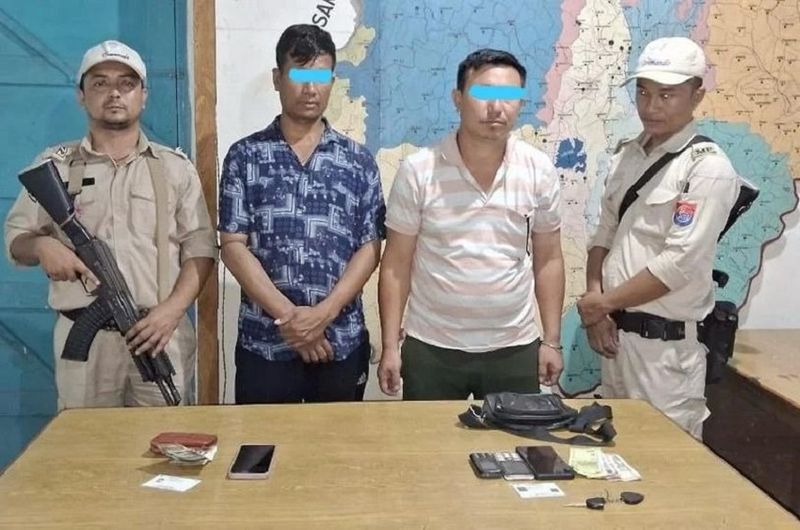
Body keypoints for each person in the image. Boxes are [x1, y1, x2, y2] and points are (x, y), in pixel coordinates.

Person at [4, 40, 216, 408]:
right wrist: (42, 246)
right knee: (86, 440)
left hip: (159, 334)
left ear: (143, 96)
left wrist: (172, 312)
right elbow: (16, 239)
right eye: (100, 83)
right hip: (87, 343)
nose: (114, 93)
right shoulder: (55, 167)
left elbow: (200, 248)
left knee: (166, 436)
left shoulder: (174, 168)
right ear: (81, 95)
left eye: (127, 83)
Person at [378, 48, 565, 400]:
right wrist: (390, 346)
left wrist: (551, 341)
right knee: (429, 437)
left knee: (514, 437)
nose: (496, 107)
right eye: (483, 94)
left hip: (514, 347)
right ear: (458, 99)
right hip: (432, 347)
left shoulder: (538, 169)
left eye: (508, 96)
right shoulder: (419, 170)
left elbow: (549, 258)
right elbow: (396, 264)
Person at [578, 37, 740, 439]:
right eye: (643, 92)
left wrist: (603, 304)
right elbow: (605, 232)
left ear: (696, 96)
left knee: (664, 460)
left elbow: (678, 263)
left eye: (667, 95)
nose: (651, 106)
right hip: (615, 338)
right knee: (614, 454)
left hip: (665, 354)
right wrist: (598, 305)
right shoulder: (628, 155)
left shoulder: (707, 169)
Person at [218, 24, 385, 404]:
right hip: (266, 343)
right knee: (261, 441)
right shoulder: (245, 156)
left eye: (321, 77)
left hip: (339, 340)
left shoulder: (358, 161)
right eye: (299, 75)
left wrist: (323, 315)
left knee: (338, 442)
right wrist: (291, 320)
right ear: (278, 79)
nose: (311, 89)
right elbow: (232, 245)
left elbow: (370, 247)